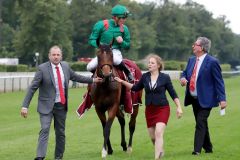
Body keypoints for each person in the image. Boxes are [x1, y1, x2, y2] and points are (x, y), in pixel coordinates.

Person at [20, 45, 102, 160]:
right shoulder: (42, 69)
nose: (56, 57)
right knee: (44, 129)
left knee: (60, 133)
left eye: (58, 55)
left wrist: (93, 80)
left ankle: (58, 157)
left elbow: (76, 77)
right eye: (53, 55)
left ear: (61, 56)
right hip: (46, 106)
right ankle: (40, 157)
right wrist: (25, 106)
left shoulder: (65, 66)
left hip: (61, 106)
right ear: (49, 56)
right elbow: (32, 88)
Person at [115, 54, 183, 160]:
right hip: (150, 110)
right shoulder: (145, 76)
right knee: (153, 137)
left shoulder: (165, 77)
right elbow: (135, 88)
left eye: (152, 63)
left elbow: (173, 94)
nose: (149, 64)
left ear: (158, 65)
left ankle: (157, 158)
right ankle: (160, 150)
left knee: (159, 132)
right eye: (149, 63)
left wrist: (179, 107)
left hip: (162, 108)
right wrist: (122, 82)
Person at [180, 37, 227, 155]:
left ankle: (196, 150)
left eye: (195, 44)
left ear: (201, 48)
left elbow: (219, 82)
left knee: (200, 122)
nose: (193, 46)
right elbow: (185, 72)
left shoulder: (212, 62)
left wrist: (222, 99)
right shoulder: (191, 60)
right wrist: (183, 78)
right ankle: (209, 148)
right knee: (202, 123)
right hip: (193, 98)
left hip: (207, 99)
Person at [87, 4, 134, 82]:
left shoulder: (124, 29)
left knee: (116, 60)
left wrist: (122, 42)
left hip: (115, 51)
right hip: (103, 52)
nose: (125, 20)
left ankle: (128, 73)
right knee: (89, 67)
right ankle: (96, 79)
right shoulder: (100, 25)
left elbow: (127, 46)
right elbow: (92, 40)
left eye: (126, 18)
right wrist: (101, 46)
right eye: (123, 18)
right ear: (115, 17)